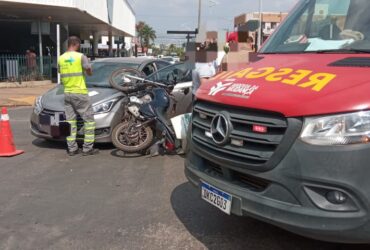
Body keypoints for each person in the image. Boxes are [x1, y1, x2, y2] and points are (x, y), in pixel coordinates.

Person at [58, 36, 98, 156]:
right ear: (76, 44)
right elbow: (89, 71)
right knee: (89, 121)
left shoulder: (61, 58)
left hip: (67, 93)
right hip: (80, 93)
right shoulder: (80, 56)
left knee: (70, 122)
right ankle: (87, 148)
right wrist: (89, 69)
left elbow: (61, 72)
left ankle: (72, 149)